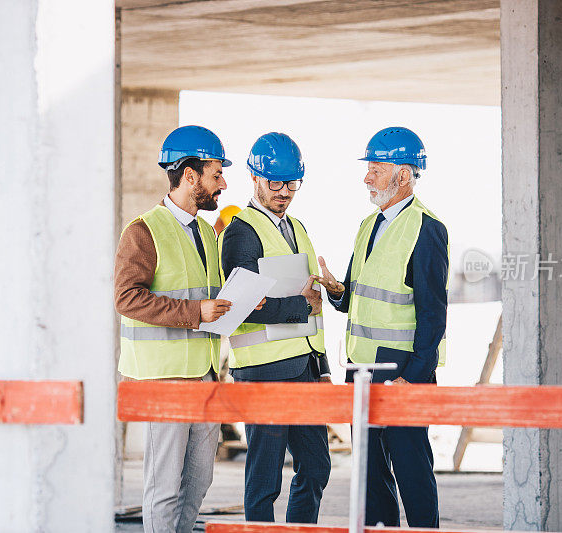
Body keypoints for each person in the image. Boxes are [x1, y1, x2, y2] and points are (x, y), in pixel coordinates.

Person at [317, 126, 449, 528]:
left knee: (412, 470)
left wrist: (413, 379)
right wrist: (337, 290)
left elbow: (433, 315)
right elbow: (359, 294)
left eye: (377, 167)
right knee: (370, 477)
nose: (367, 176)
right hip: (361, 371)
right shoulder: (368, 225)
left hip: (403, 373)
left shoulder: (427, 229)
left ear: (404, 175)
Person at [114, 125, 235, 533]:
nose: (222, 183)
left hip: (203, 374)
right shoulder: (143, 230)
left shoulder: (205, 231)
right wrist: (195, 311)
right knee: (164, 486)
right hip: (163, 378)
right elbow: (127, 298)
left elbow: (208, 299)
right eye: (216, 174)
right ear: (190, 175)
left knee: (198, 480)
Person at [218, 132, 331, 524]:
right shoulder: (241, 231)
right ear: (255, 180)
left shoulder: (297, 227)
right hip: (263, 372)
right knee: (265, 479)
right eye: (275, 183)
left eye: (292, 183)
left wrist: (324, 366)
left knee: (316, 467)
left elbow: (314, 300)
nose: (284, 192)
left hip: (304, 368)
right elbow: (242, 303)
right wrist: (301, 305)